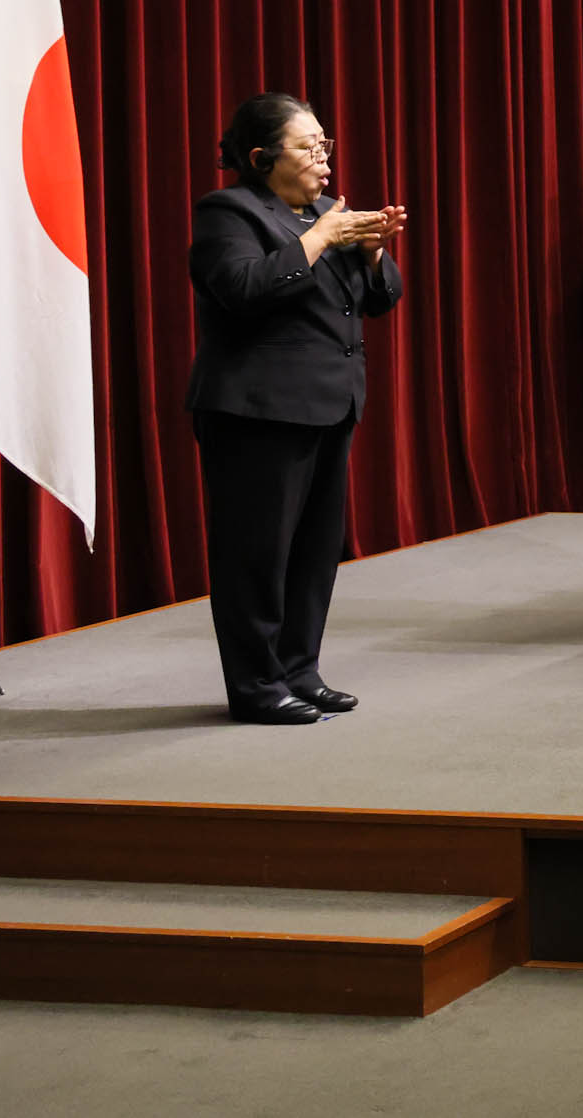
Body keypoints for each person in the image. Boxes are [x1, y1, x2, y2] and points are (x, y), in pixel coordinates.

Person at [187, 92, 405, 723]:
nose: (324, 160)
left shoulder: (325, 213)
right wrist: (320, 238)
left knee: (314, 550)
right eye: (309, 147)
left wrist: (372, 251)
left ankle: (299, 671)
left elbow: (378, 300)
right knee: (255, 555)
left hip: (329, 404)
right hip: (256, 411)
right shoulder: (228, 212)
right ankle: (256, 687)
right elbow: (242, 288)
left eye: (325, 145)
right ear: (261, 158)